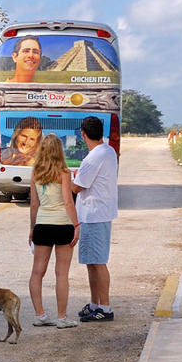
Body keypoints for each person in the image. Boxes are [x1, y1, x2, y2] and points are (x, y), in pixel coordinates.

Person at [28, 134, 80, 329]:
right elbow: (68, 201)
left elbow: (34, 205)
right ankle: (61, 317)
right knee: (61, 273)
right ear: (60, 150)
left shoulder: (35, 173)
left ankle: (40, 314)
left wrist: (32, 229)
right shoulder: (64, 172)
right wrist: (76, 225)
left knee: (37, 272)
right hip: (63, 225)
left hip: (43, 224)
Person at [71, 116, 119, 322]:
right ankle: (94, 303)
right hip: (98, 212)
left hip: (93, 214)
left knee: (98, 262)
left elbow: (76, 187)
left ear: (83, 134)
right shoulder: (108, 151)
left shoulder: (93, 158)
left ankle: (105, 308)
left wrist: (67, 177)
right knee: (92, 261)